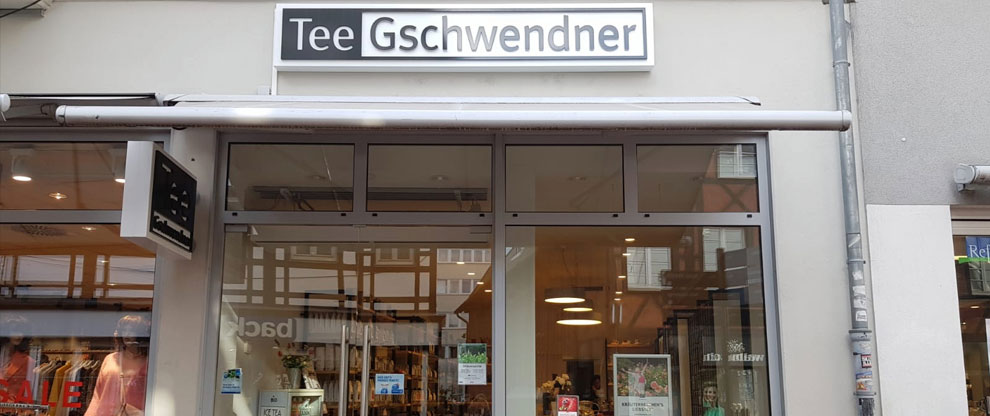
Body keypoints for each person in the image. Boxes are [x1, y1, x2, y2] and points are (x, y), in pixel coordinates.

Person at [85, 315, 150, 416]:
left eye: (132, 330)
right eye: (124, 330)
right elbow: (97, 395)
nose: (127, 334)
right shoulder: (110, 359)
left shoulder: (148, 363)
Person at [0, 315, 36, 398]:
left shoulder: (29, 362)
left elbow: (28, 393)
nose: (20, 335)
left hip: (14, 405)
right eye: (15, 331)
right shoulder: (2, 357)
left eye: (23, 332)